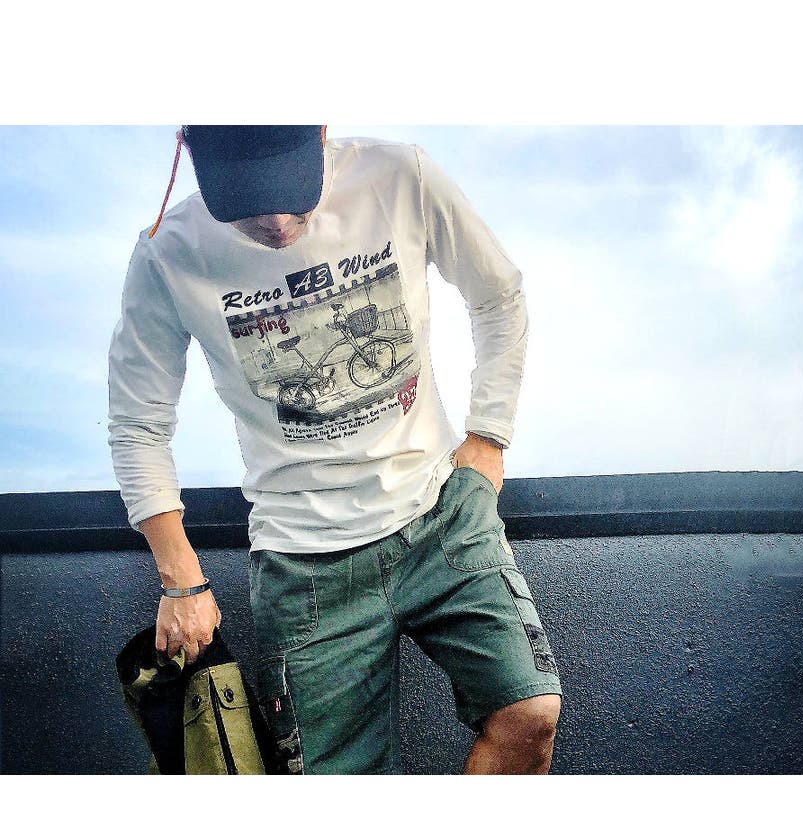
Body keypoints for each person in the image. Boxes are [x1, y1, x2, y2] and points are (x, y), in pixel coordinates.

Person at [108, 125, 562, 774]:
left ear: (318, 132)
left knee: (530, 713)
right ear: (192, 153)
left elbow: (498, 293)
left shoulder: (400, 177)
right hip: (304, 567)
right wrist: (180, 578)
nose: (276, 221)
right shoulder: (168, 251)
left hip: (440, 515)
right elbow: (138, 421)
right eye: (245, 197)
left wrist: (488, 436)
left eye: (290, 187)